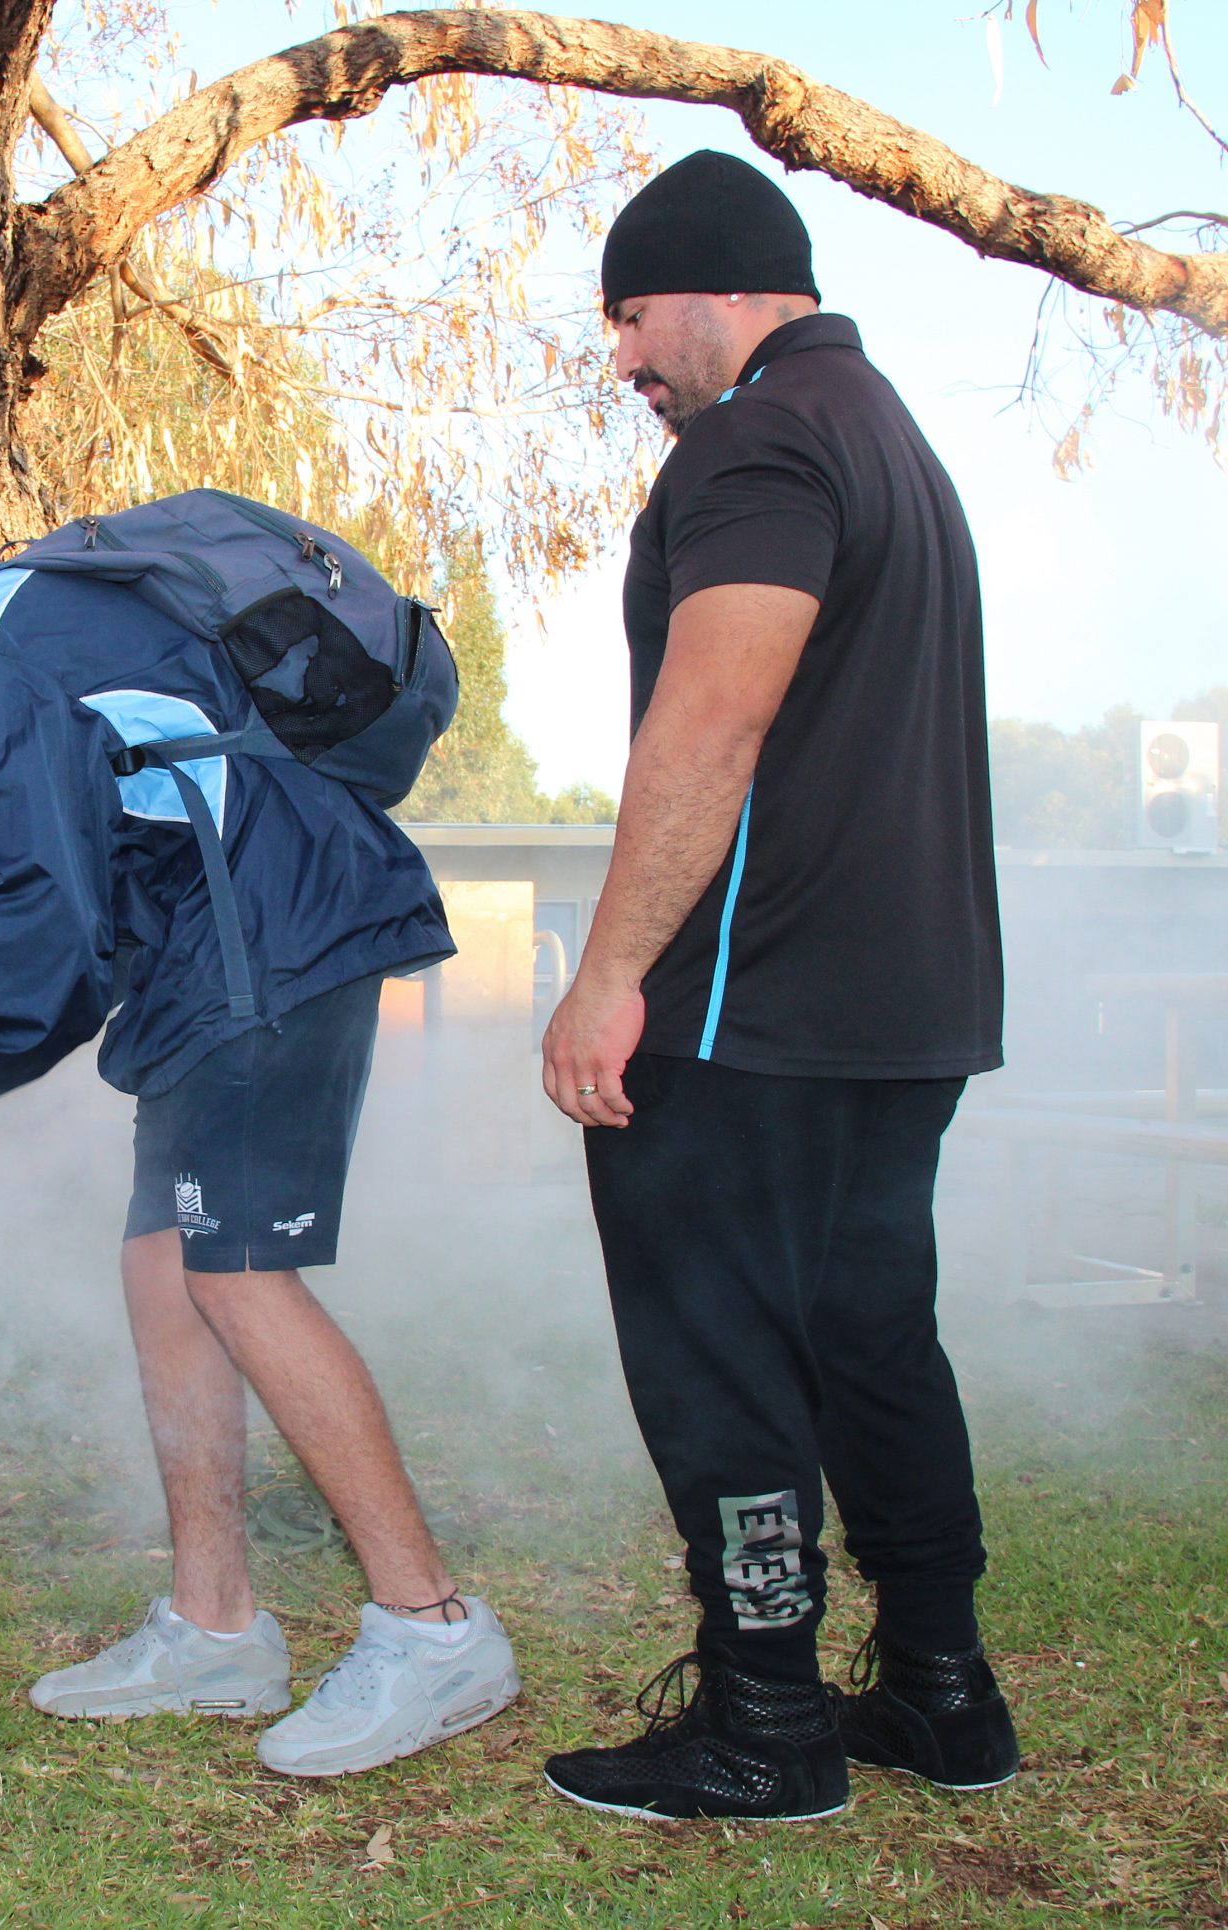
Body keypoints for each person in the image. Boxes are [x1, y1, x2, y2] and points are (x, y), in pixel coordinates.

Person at [0, 503, 521, 1782]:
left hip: (267, 940)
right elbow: (108, 862)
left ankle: (431, 1629)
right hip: (224, 950)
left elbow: (49, 910)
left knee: (235, 1272)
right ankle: (215, 1627)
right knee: (161, 1265)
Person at [535, 151, 1021, 1822]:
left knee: (717, 1350)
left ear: (715, 284)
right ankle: (945, 1696)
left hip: (755, 1007)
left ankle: (765, 1723)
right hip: (910, 1002)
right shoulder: (890, 436)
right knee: (875, 1335)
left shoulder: (753, 439)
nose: (624, 364)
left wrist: (612, 976)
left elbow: (713, 719)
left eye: (630, 319)